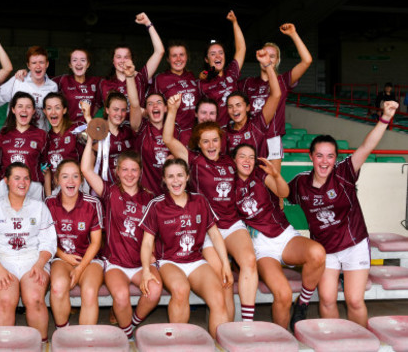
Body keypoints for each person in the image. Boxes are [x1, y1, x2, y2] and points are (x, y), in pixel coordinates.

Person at [287, 101, 399, 328]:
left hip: (353, 244)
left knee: (354, 300)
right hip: (325, 250)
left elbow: (367, 146)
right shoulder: (300, 183)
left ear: (336, 158)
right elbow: (280, 194)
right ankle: (339, 342)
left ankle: (360, 339)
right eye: (319, 156)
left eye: (330, 156)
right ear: (311, 157)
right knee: (327, 299)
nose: (324, 161)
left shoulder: (344, 173)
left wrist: (385, 117)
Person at [163, 110, 258, 322]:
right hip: (206, 229)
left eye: (215, 140)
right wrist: (172, 110)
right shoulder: (194, 160)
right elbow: (168, 139)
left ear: (222, 142)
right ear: (199, 144)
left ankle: (246, 324)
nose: (211, 145)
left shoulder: (230, 162)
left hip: (231, 223)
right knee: (223, 277)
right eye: (206, 141)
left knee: (250, 261)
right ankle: (223, 330)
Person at [232, 144, 325, 330]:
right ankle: (282, 338)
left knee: (318, 253)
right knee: (283, 294)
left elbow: (284, 192)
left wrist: (276, 174)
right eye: (242, 156)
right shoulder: (227, 184)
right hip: (261, 247)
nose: (247, 161)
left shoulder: (260, 175)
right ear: (234, 160)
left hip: (283, 235)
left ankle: (303, 302)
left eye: (251, 157)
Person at [139, 159, 231, 338]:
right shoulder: (157, 204)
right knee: (181, 289)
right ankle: (177, 344)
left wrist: (225, 264)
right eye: (170, 176)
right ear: (164, 180)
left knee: (218, 297)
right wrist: (145, 271)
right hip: (169, 261)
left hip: (195, 260)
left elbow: (215, 235)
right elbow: (147, 243)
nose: (175, 180)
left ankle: (220, 345)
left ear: (187, 177)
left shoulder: (200, 200)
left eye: (180, 175)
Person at [81, 139, 162, 339]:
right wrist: (91, 138)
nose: (129, 174)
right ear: (117, 171)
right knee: (121, 296)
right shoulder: (110, 192)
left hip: (140, 262)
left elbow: (157, 232)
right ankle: (128, 336)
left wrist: (153, 254)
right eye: (124, 169)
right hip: (115, 262)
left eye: (134, 170)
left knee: (154, 292)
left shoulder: (149, 198)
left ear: (141, 172)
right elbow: (86, 170)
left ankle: (132, 323)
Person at [0, 162, 57, 343]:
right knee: (6, 300)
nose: (22, 182)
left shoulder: (39, 207)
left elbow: (49, 242)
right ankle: (1, 347)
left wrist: (39, 264)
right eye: (17, 178)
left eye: (26, 178)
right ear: (6, 181)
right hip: (2, 260)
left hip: (33, 259)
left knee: (35, 299)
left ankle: (40, 344)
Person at [239, 23, 313, 169]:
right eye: (264, 55)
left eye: (271, 56)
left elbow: (307, 61)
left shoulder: (284, 81)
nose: (267, 59)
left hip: (272, 138)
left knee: (273, 180)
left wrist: (293, 34)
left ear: (277, 60)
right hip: (250, 137)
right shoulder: (248, 83)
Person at [45, 159, 104, 327]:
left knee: (90, 291)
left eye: (75, 176)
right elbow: (45, 240)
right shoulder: (49, 203)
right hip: (61, 257)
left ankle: (84, 340)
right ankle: (63, 332)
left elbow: (96, 243)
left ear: (82, 180)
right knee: (57, 287)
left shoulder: (93, 204)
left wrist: (79, 268)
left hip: (90, 259)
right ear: (57, 180)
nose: (70, 181)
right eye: (65, 176)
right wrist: (64, 256)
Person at [125, 60, 178, 195]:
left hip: (171, 194)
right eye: (150, 104)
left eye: (159, 102)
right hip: (146, 194)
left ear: (166, 108)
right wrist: (130, 77)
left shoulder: (176, 129)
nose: (155, 106)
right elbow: (135, 105)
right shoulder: (141, 128)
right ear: (146, 110)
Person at [16, 49, 101, 127]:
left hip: (87, 128)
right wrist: (27, 73)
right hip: (66, 129)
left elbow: (101, 101)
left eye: (83, 60)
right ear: (70, 65)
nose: (78, 63)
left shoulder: (97, 82)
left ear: (88, 64)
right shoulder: (62, 80)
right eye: (74, 60)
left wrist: (88, 117)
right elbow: (40, 79)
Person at [224, 49, 281, 158]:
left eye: (238, 105)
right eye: (230, 107)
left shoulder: (257, 124)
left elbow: (276, 94)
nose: (234, 110)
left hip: (256, 174)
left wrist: (267, 65)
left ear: (248, 107)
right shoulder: (225, 132)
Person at [100, 13, 164, 107]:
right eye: (118, 57)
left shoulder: (140, 78)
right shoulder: (104, 83)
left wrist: (148, 23)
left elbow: (159, 51)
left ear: (132, 60)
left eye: (126, 57)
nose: (122, 60)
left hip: (137, 122)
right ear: (113, 61)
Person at [0, 46, 58, 131]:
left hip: (38, 138)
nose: (38, 66)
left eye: (41, 62)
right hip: (13, 136)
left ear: (47, 64)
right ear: (28, 65)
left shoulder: (53, 87)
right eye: (34, 63)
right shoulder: (18, 80)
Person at [0, 92, 48, 201]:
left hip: (33, 186)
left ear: (33, 111)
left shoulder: (41, 135)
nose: (24, 110)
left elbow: (47, 165)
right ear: (13, 110)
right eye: (20, 106)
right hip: (7, 185)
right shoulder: (4, 133)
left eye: (28, 107)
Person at [198, 11, 245, 127]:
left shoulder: (231, 73)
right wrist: (207, 73)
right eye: (213, 54)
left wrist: (234, 23)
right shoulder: (202, 83)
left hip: (234, 130)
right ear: (206, 59)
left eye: (221, 53)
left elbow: (241, 49)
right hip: (215, 133)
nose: (218, 56)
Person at [81, 90, 134, 185]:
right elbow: (97, 141)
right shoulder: (98, 130)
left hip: (127, 185)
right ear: (107, 110)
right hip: (104, 188)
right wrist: (88, 117)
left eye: (123, 110)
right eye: (115, 109)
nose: (119, 114)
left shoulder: (128, 131)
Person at [154, 41, 201, 145]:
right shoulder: (160, 79)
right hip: (174, 134)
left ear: (187, 57)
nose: (178, 59)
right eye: (174, 55)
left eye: (182, 55)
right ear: (168, 59)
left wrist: (206, 73)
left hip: (195, 132)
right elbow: (153, 106)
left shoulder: (191, 75)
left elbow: (208, 72)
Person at [42, 92, 83, 196]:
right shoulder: (44, 138)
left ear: (64, 110)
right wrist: (49, 198)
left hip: (77, 187)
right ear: (44, 111)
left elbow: (95, 143)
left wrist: (87, 116)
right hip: (56, 191)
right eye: (49, 108)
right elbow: (46, 171)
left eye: (57, 107)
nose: (53, 112)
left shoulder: (76, 129)